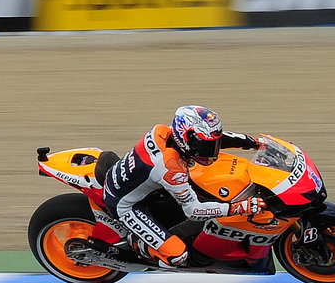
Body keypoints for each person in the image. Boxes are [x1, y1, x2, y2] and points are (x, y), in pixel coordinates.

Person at [102, 105, 268, 269]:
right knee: (177, 256)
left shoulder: (166, 132)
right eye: (205, 147)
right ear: (185, 139)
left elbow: (219, 137)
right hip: (126, 205)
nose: (212, 152)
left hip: (139, 183)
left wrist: (254, 142)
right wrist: (238, 208)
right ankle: (138, 243)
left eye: (212, 145)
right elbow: (194, 211)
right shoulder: (171, 168)